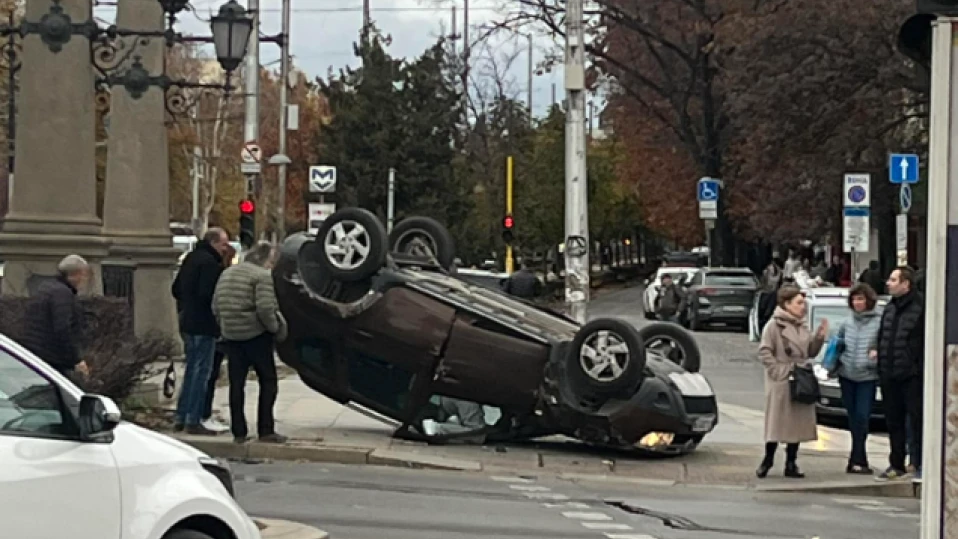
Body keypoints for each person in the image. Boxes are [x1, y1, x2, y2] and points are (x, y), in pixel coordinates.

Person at [212, 241, 288, 444]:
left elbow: (216, 305)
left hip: (231, 335)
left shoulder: (227, 274)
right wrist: (274, 328)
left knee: (237, 384)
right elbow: (265, 308)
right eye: (272, 260)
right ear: (265, 259)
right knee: (268, 381)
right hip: (256, 335)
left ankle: (239, 430)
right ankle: (266, 429)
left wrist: (225, 326)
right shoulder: (261, 276)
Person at [756, 284, 827, 479]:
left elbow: (809, 352)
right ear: (786, 304)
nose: (802, 307)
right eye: (799, 303)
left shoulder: (802, 324)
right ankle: (768, 460)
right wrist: (778, 371)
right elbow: (764, 351)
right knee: (776, 423)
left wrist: (819, 337)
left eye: (803, 303)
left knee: (795, 424)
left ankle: (791, 462)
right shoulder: (774, 325)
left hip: (800, 377)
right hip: (782, 379)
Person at [172, 227, 231, 435]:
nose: (226, 249)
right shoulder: (210, 264)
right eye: (224, 244)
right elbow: (210, 295)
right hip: (204, 323)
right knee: (201, 373)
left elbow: (176, 289)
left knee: (191, 370)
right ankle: (193, 419)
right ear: (214, 242)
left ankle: (181, 415)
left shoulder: (190, 259)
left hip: (187, 320)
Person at [872, 266, 925, 482]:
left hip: (911, 375)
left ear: (906, 284)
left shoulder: (921, 307)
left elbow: (921, 341)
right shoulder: (890, 308)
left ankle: (919, 462)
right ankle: (896, 463)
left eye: (893, 280)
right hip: (888, 372)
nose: (888, 283)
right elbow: (883, 335)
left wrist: (915, 366)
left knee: (917, 420)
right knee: (893, 421)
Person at [20, 255, 91, 384]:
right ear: (77, 274)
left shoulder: (46, 288)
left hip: (38, 354)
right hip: (52, 358)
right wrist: (76, 359)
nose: (84, 280)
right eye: (84, 275)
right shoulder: (62, 294)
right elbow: (63, 328)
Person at [833, 283, 882, 474]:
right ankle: (857, 458)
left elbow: (883, 345)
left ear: (868, 300)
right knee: (853, 418)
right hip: (847, 375)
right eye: (854, 299)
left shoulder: (879, 322)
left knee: (862, 416)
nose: (857, 303)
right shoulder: (847, 322)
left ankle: (858, 457)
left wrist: (875, 356)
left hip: (867, 376)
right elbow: (838, 345)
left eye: (861, 299)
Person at [201, 243, 238, 434]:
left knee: (203, 372)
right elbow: (214, 301)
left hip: (200, 324)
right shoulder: (217, 272)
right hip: (211, 328)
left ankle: (193, 414)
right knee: (207, 373)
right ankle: (201, 414)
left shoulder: (198, 261)